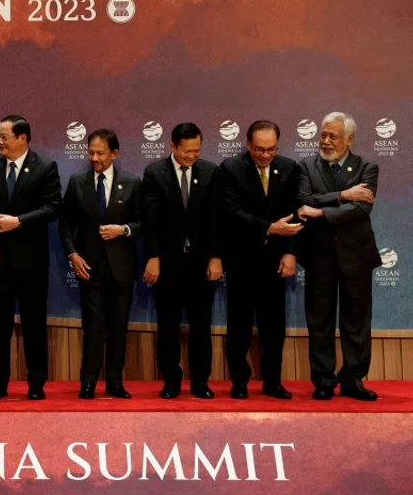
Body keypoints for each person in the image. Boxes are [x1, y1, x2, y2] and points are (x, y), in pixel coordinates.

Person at [0, 115, 61, 400]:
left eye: (4, 137)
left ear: (22, 138)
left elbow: (53, 207)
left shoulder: (45, 167)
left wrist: (19, 221)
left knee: (34, 324)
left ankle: (36, 385)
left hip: (32, 263)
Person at [297, 112, 381, 401]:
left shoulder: (367, 167)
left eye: (333, 136)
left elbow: (362, 210)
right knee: (319, 321)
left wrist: (321, 212)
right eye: (323, 134)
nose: (326, 140)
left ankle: (353, 381)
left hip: (356, 257)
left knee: (356, 321)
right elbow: (304, 201)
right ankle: (323, 381)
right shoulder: (306, 165)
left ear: (349, 139)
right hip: (319, 256)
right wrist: (344, 195)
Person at [219, 120, 301, 399]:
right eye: (259, 149)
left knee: (274, 326)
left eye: (271, 149)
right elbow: (231, 213)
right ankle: (239, 382)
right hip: (241, 260)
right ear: (247, 144)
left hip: (275, 262)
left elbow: (295, 216)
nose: (265, 155)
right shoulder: (231, 169)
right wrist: (268, 227)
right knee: (239, 325)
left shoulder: (290, 168)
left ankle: (273, 382)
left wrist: (290, 252)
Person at [59, 129, 142, 399]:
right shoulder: (77, 181)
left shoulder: (131, 182)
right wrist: (73, 254)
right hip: (89, 267)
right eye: (91, 152)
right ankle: (88, 382)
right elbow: (65, 224)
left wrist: (124, 229)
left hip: (121, 268)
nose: (94, 157)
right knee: (92, 327)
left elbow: (144, 223)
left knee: (118, 326)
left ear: (114, 154)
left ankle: (115, 382)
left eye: (100, 153)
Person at [142, 122, 222, 399]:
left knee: (201, 325)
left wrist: (215, 257)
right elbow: (150, 221)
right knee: (168, 324)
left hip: (201, 263)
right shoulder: (155, 173)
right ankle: (171, 381)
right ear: (173, 146)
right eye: (187, 151)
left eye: (196, 150)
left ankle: (200, 381)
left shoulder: (211, 172)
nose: (192, 156)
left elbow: (215, 219)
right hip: (168, 262)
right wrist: (153, 258)